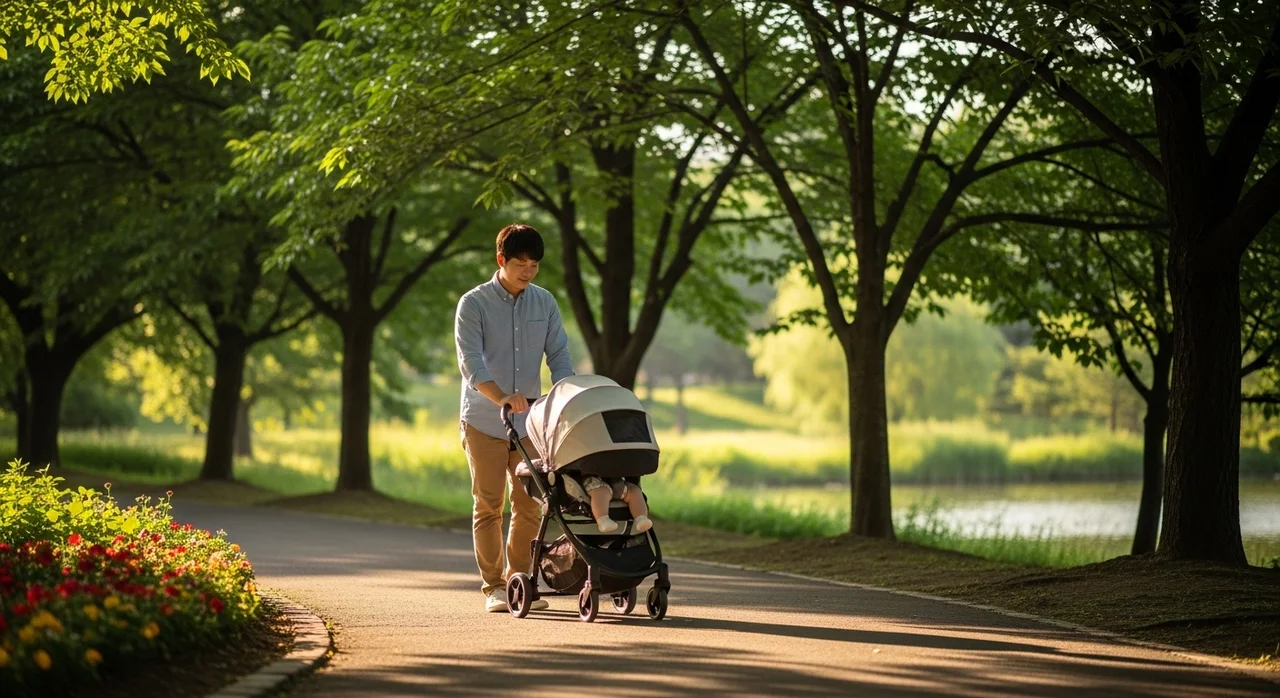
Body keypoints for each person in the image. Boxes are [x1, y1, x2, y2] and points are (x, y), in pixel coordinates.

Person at [454, 223, 574, 613]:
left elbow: (558, 354)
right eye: (520, 263)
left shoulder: (545, 302)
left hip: (530, 425)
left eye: (535, 264)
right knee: (489, 505)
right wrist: (501, 397)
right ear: (501, 260)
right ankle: (493, 586)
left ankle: (517, 582)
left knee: (529, 506)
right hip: (485, 421)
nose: (528, 271)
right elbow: (470, 363)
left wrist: (567, 395)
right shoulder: (473, 304)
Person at [583, 476, 653, 534]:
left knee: (634, 491)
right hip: (595, 480)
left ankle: (641, 518)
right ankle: (603, 520)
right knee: (601, 493)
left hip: (618, 479)